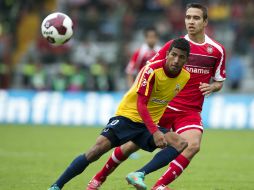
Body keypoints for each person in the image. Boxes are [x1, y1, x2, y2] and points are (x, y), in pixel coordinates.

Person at [87, 3, 226, 190]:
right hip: (163, 106)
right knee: (130, 146)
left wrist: (212, 87)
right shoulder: (173, 47)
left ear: (205, 21)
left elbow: (219, 81)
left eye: (196, 18)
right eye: (188, 17)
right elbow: (149, 70)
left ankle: (158, 185)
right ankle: (99, 178)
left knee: (193, 145)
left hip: (189, 110)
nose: (190, 22)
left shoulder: (216, 50)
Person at [48, 38, 191, 190]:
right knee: (95, 152)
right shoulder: (151, 70)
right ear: (167, 54)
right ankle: (57, 185)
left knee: (180, 143)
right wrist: (155, 132)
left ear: (186, 60)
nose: (176, 60)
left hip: (148, 126)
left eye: (181, 57)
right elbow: (141, 104)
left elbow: (164, 101)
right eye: (174, 55)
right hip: (127, 118)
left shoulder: (185, 77)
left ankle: (139, 174)